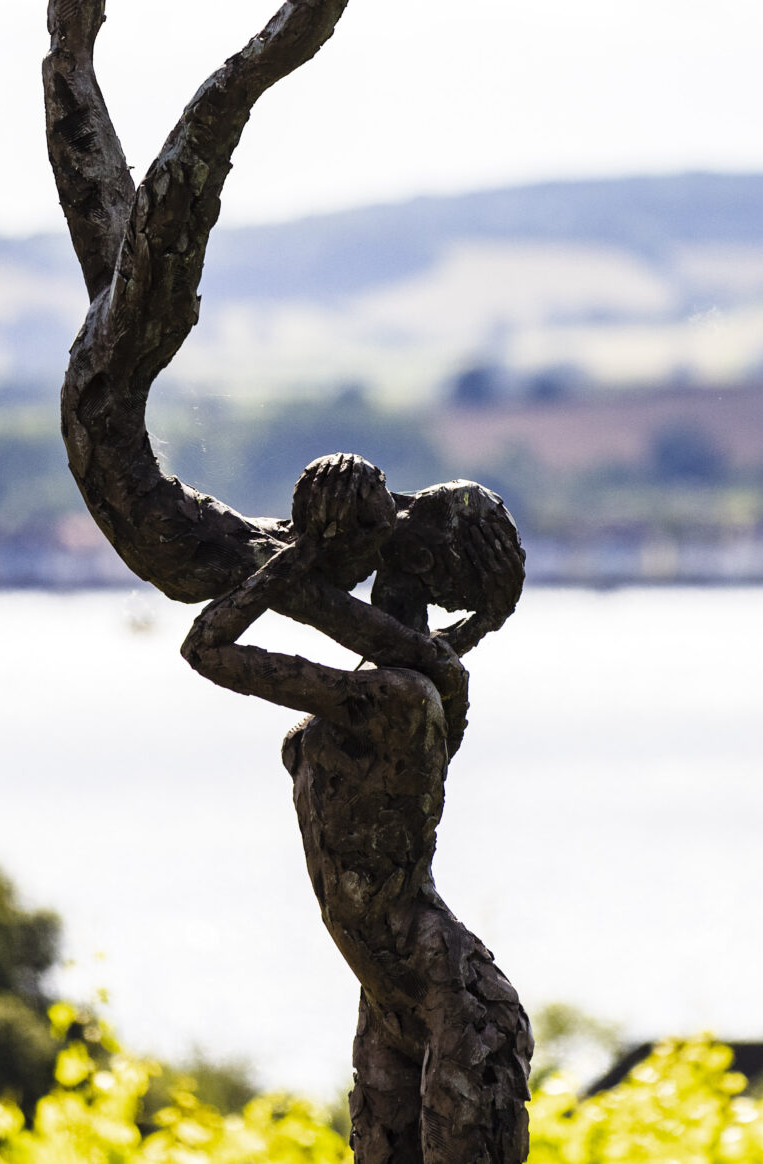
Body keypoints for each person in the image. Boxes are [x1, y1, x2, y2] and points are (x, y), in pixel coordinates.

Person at [183, 454, 532, 1164]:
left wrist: (301, 556)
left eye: (409, 524)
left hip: (447, 991)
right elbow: (405, 641)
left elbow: (207, 646)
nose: (393, 522)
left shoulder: (403, 698)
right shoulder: (426, 681)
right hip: (386, 992)